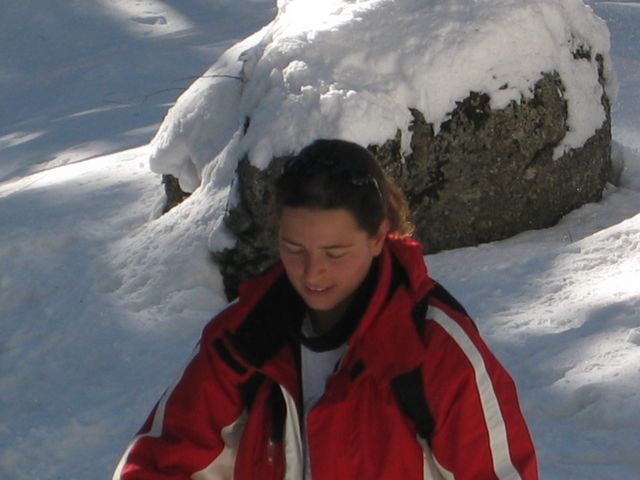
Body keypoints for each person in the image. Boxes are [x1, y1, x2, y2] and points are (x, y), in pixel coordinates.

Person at [113, 139, 538, 479]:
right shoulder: (242, 343)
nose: (313, 272)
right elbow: (157, 461)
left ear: (378, 238)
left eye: (335, 253)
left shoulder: (434, 349)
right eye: (294, 249)